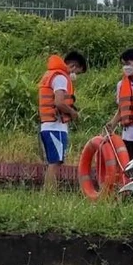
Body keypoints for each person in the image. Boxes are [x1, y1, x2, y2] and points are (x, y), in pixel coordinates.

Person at [38, 50, 88, 191]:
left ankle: (48, 194)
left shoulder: (49, 75)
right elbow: (59, 102)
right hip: (55, 127)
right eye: (77, 72)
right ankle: (49, 195)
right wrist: (73, 113)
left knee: (52, 162)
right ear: (73, 66)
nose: (75, 76)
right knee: (55, 163)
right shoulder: (61, 77)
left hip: (46, 125)